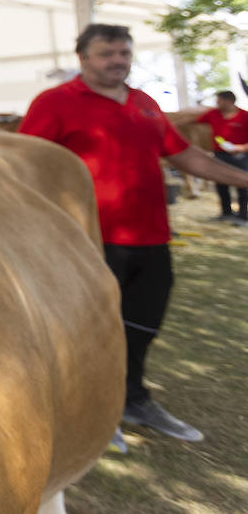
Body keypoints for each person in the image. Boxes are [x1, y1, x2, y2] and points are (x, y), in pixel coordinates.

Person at [18, 24, 248, 444]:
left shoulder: (144, 103)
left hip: (152, 237)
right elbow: (22, 165)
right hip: (87, 240)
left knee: (143, 323)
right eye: (107, 53)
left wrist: (243, 180)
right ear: (83, 58)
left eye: (124, 53)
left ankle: (133, 398)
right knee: (88, 329)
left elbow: (184, 155)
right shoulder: (55, 103)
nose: (118, 61)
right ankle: (88, 412)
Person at [195, 90, 248, 224]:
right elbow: (195, 120)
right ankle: (226, 212)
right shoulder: (213, 114)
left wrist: (241, 148)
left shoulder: (245, 116)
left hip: (241, 156)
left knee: (242, 185)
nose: (216, 103)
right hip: (219, 155)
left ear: (228, 101)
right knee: (221, 184)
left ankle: (243, 216)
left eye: (218, 101)